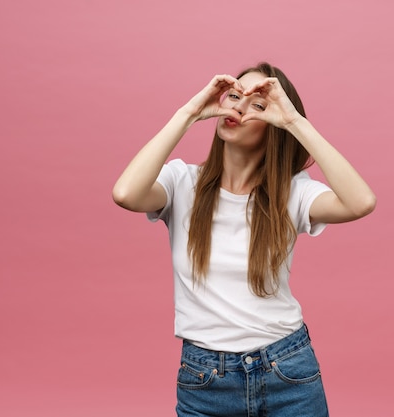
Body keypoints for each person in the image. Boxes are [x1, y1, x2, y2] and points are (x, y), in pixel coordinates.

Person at [112, 62, 376, 417]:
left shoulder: (292, 194)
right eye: (234, 96)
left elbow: (361, 202)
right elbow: (126, 193)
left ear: (275, 125)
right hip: (205, 380)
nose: (237, 107)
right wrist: (189, 114)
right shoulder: (181, 182)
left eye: (258, 105)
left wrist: (294, 122)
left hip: (287, 370)